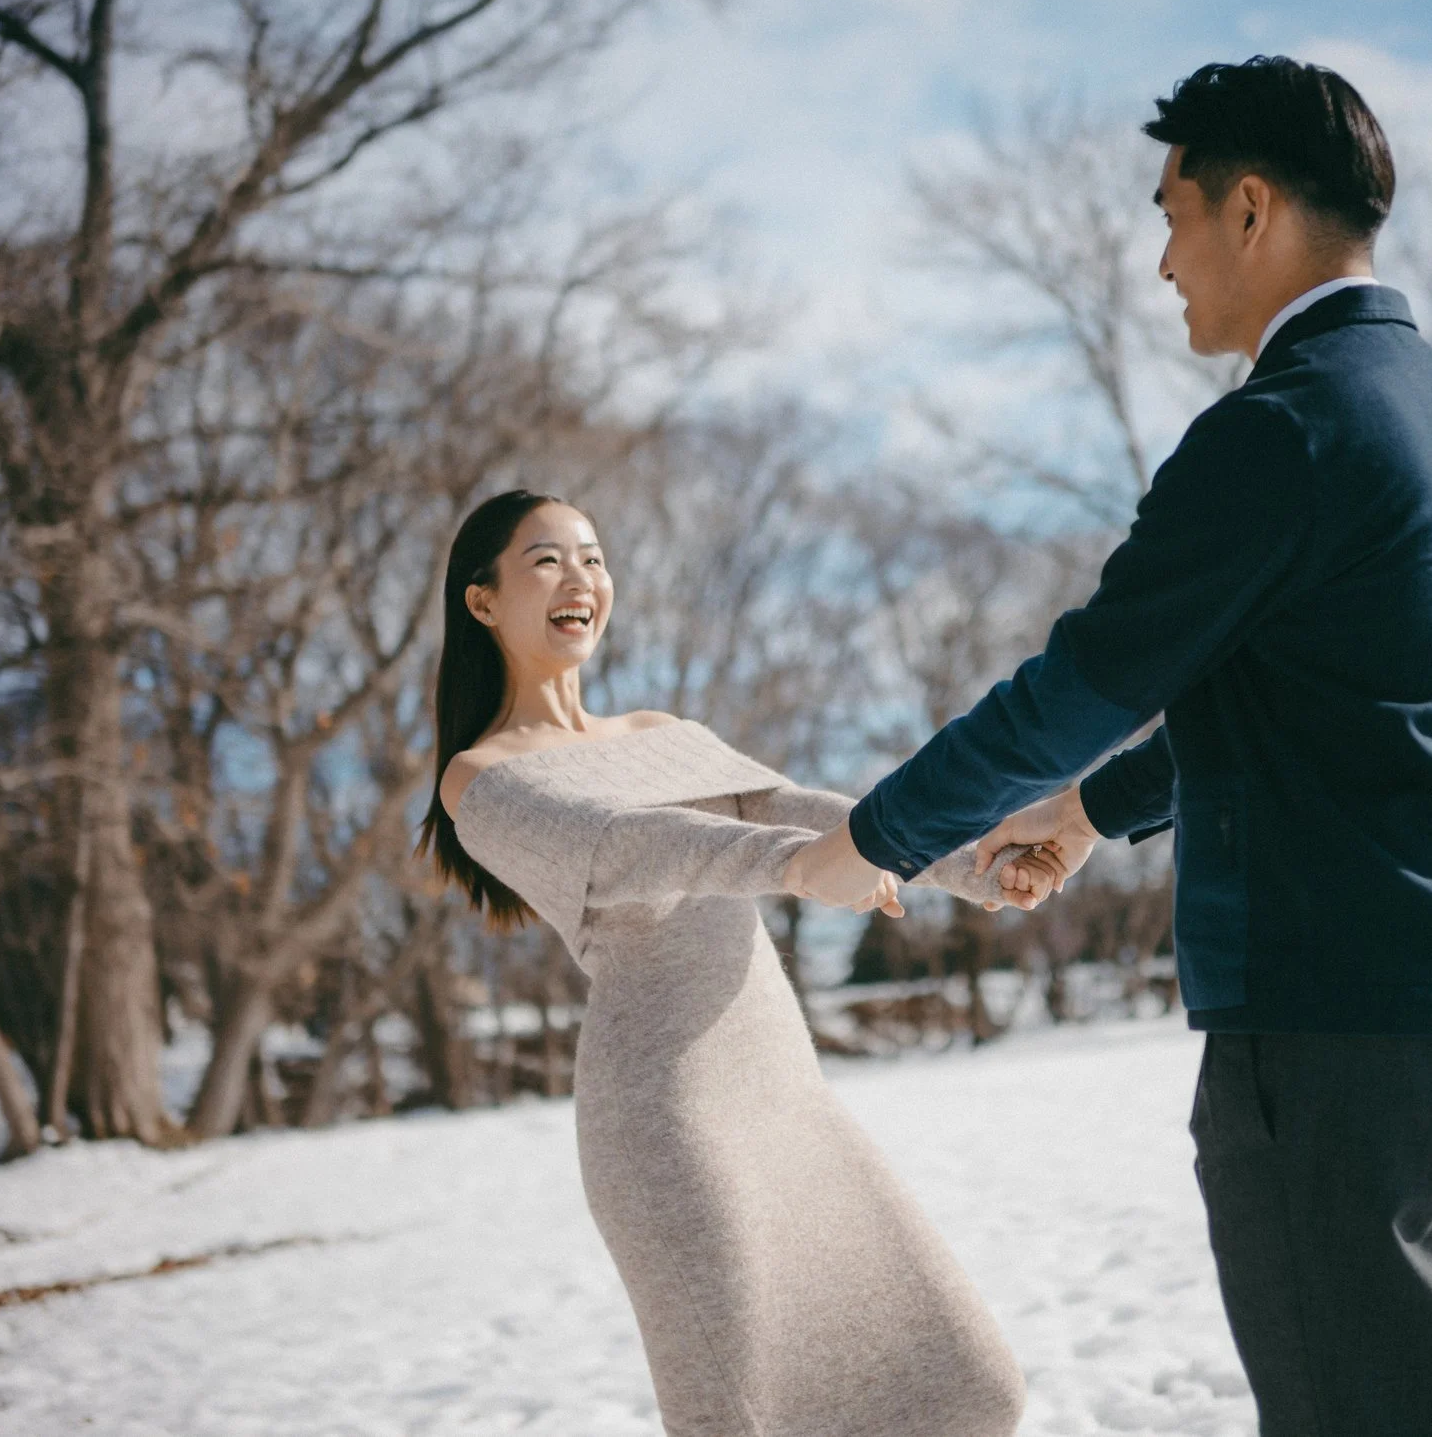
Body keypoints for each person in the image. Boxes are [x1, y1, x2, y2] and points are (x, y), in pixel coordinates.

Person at [786, 57, 1432, 1436]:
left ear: (1250, 208)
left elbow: (1083, 679)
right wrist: (1096, 810)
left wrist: (872, 838)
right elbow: (1334, 708)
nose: (1160, 260)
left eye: (1172, 212)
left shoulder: (1281, 430)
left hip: (1343, 1043)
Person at [423, 489, 1030, 1437]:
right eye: (545, 559)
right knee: (746, 1417)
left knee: (964, 1382)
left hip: (785, 1096)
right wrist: (800, 871)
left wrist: (965, 863)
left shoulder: (662, 732)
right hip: (667, 1120)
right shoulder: (484, 775)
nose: (580, 576)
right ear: (483, 601)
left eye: (592, 554)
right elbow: (629, 845)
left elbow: (792, 807)